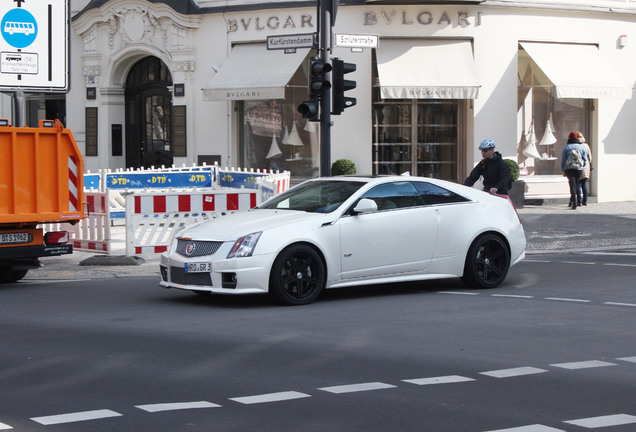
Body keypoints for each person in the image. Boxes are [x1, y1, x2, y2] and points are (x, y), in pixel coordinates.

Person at [561, 132, 587, 210]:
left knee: (572, 185)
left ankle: (574, 203)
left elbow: (563, 160)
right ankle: (572, 201)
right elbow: (585, 159)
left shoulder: (566, 147)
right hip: (578, 169)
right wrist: (582, 166)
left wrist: (563, 169)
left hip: (569, 168)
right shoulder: (581, 147)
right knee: (575, 184)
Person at [576, 131, 592, 206]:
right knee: (584, 184)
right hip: (586, 166)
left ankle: (579, 201)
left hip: (579, 166)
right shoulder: (586, 145)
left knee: (578, 184)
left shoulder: (577, 146)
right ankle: (585, 200)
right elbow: (590, 157)